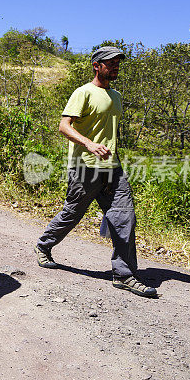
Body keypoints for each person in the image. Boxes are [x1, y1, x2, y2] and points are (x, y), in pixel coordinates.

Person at [34, 46, 157, 298]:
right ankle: (43, 246)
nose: (115, 67)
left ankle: (124, 274)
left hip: (113, 168)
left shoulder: (117, 96)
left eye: (117, 63)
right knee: (72, 212)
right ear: (96, 65)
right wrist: (89, 144)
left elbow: (110, 132)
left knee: (125, 217)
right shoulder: (83, 93)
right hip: (84, 168)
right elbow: (63, 125)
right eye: (110, 63)